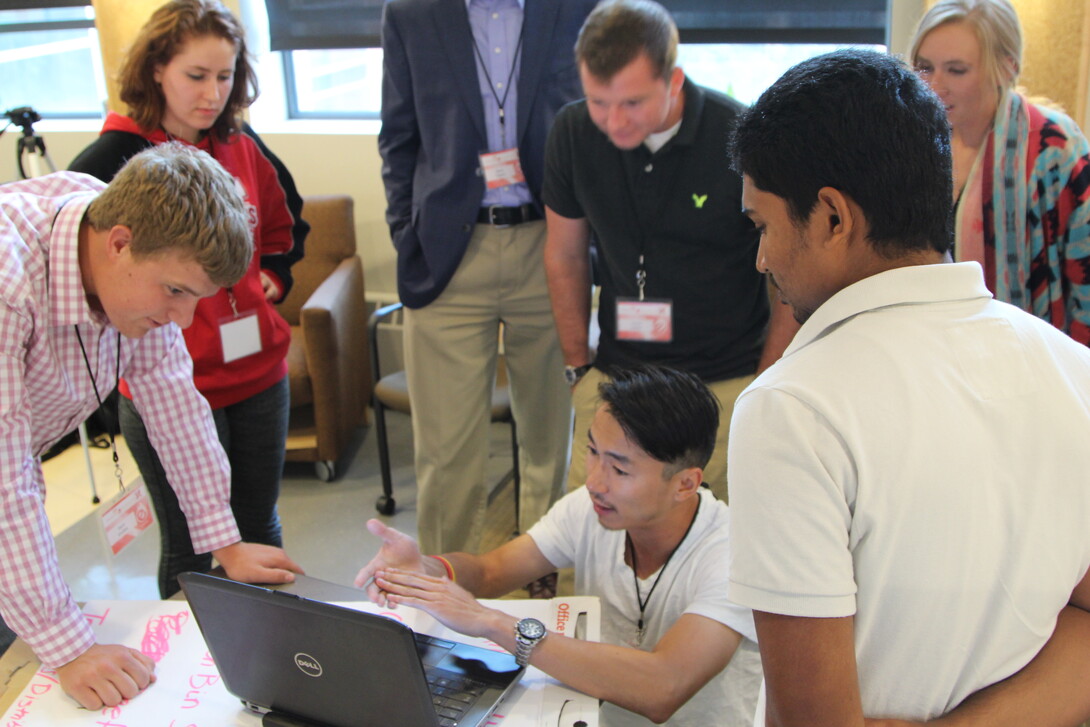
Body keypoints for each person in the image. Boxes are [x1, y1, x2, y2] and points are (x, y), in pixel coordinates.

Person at [725, 48, 1090, 725]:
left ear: (832, 219)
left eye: (763, 225)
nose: (762, 257)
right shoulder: (1072, 369)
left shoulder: (791, 410)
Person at [0, 143, 303, 709]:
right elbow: (4, 483)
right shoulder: (7, 278)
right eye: (176, 293)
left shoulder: (124, 238)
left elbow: (177, 409)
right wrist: (68, 648)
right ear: (119, 243)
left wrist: (226, 541)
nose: (182, 319)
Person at [354, 365, 761, 726]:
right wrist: (429, 569)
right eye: (591, 452)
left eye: (619, 468)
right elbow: (493, 571)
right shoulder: (591, 509)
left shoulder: (732, 552)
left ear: (685, 483)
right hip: (591, 712)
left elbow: (663, 687)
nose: (595, 481)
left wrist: (491, 621)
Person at [67, 0, 305, 598]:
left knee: (255, 528)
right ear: (156, 71)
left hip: (254, 371)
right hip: (167, 379)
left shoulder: (239, 141)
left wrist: (266, 281)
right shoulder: (111, 163)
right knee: (192, 547)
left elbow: (284, 221)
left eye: (224, 77)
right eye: (196, 76)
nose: (212, 93)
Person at [543, 0, 798, 500]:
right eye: (598, 101)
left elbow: (787, 275)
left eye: (632, 103)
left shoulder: (741, 139)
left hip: (722, 383)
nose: (613, 122)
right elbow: (565, 256)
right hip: (617, 379)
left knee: (710, 548)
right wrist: (578, 368)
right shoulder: (573, 133)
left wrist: (763, 385)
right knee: (594, 539)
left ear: (674, 81)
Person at [377, 0, 598, 572]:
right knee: (447, 454)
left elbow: (599, 122)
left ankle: (546, 578)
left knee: (554, 438)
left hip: (551, 245)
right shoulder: (412, 14)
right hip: (451, 253)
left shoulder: (578, 9)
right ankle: (447, 590)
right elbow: (398, 138)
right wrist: (407, 232)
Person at [910, 0, 1090, 345]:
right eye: (924, 67)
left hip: (1037, 352)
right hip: (935, 350)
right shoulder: (911, 147)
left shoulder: (1055, 148)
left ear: (1006, 68)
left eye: (956, 70)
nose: (934, 85)